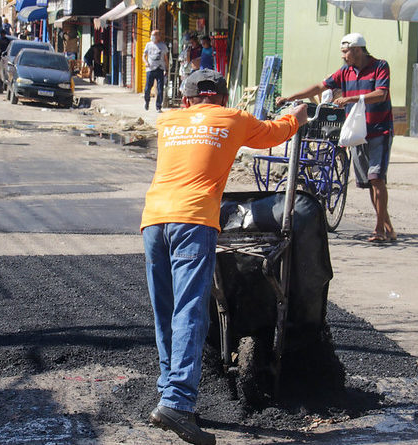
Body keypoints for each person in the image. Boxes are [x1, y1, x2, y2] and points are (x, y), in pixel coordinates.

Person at [141, 69, 307, 445]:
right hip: (194, 220)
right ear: (222, 97)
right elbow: (276, 133)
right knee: (189, 310)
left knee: (165, 309)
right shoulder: (234, 118)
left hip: (153, 220)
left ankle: (169, 391)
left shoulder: (167, 121)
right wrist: (297, 116)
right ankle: (179, 403)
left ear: (185, 100)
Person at [276, 33, 396, 242]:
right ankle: (388, 227)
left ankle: (379, 230)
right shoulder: (345, 71)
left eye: (346, 52)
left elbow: (381, 94)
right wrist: (291, 97)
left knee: (377, 177)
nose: (343, 56)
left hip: (379, 129)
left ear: (358, 50)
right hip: (357, 132)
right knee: (369, 181)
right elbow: (320, 87)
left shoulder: (380, 66)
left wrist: (352, 98)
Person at [142, 29, 168, 112]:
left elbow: (165, 58)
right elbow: (144, 56)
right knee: (147, 88)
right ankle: (147, 102)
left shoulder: (163, 46)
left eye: (154, 35)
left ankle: (158, 106)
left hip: (160, 69)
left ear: (158, 36)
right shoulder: (148, 45)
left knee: (160, 89)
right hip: (150, 69)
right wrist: (146, 62)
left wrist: (166, 69)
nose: (152, 36)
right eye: (152, 35)